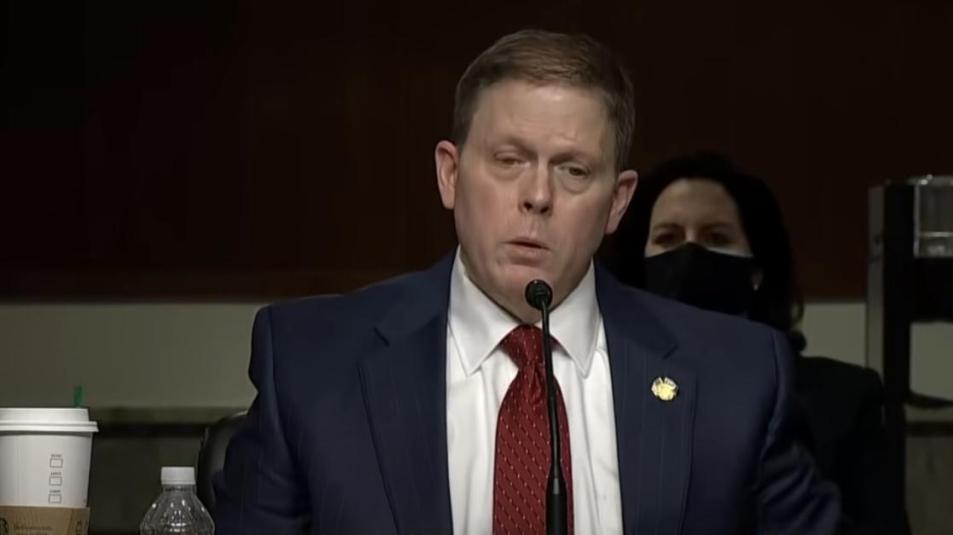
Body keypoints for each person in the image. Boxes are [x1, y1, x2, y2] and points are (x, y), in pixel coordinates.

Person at [215, 31, 840, 534]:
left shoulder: (738, 380)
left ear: (618, 203)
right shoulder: (313, 364)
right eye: (509, 160)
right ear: (450, 175)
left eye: (573, 171)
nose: (537, 196)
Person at [603, 152, 909, 534]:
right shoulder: (605, 389)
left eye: (716, 237)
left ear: (758, 270)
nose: (690, 253)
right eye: (668, 238)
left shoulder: (844, 398)